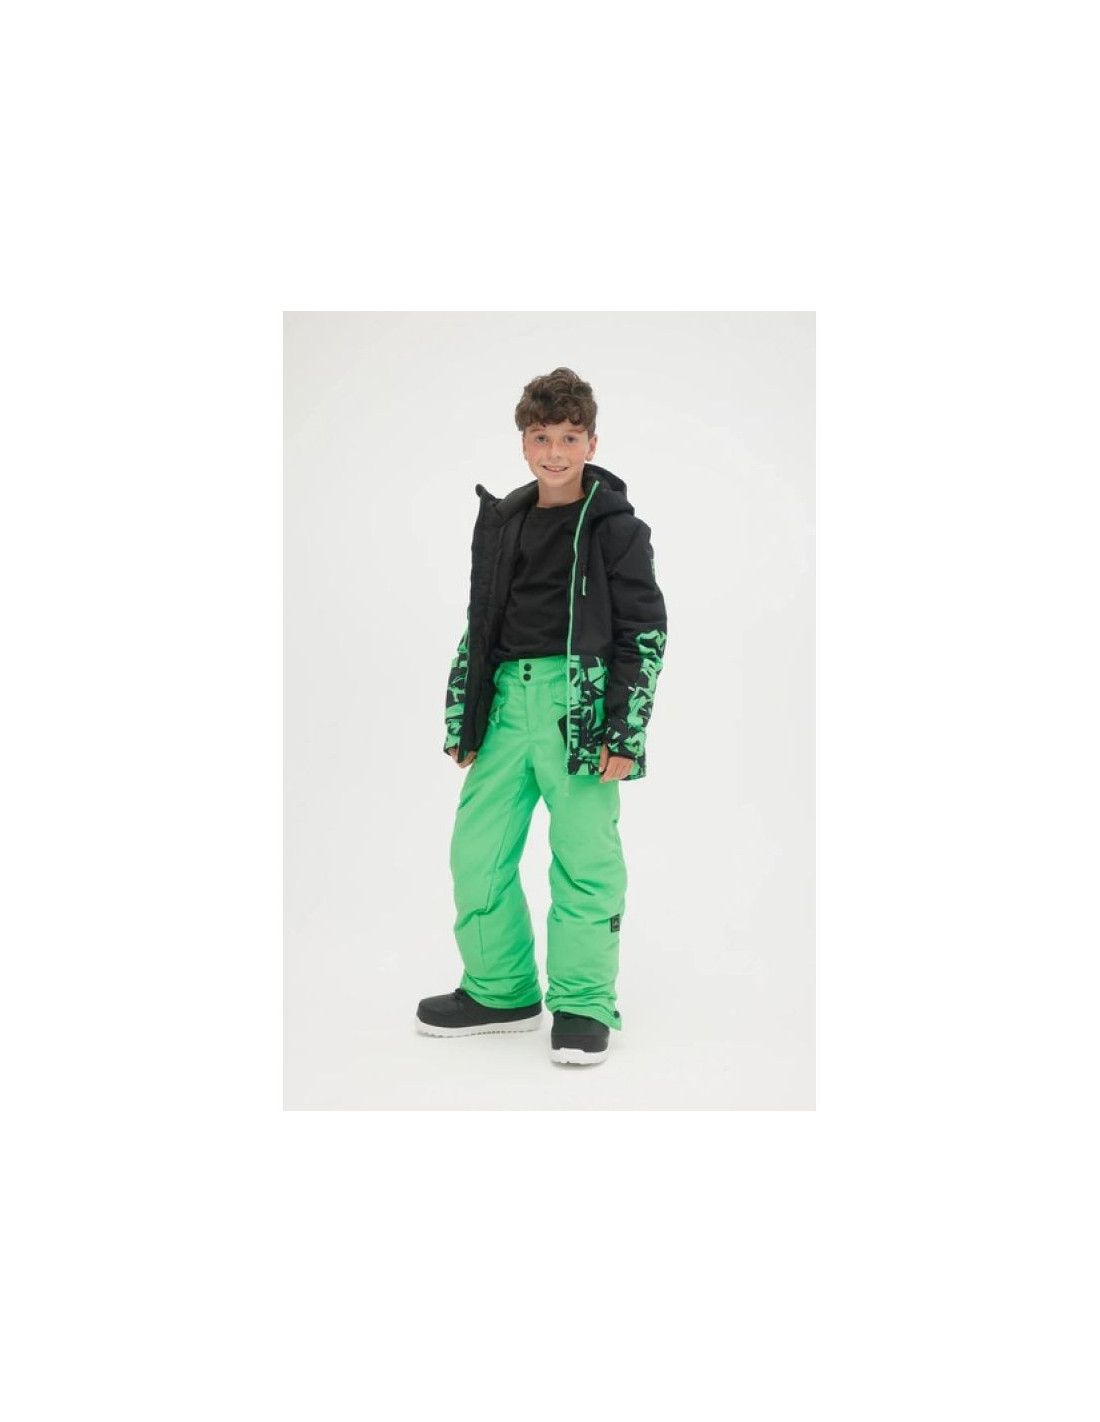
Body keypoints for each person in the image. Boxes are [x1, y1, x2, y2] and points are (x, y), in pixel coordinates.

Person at [416, 367, 668, 1065]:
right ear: (524, 443)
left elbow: (644, 632)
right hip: (507, 702)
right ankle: (500, 990)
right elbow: (481, 622)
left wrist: (623, 730)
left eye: (569, 438)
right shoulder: (506, 522)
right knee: (476, 851)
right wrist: (465, 714)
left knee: (584, 856)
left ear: (592, 443)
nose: (554, 452)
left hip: (577, 709)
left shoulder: (617, 529)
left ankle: (584, 1002)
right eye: (541, 437)